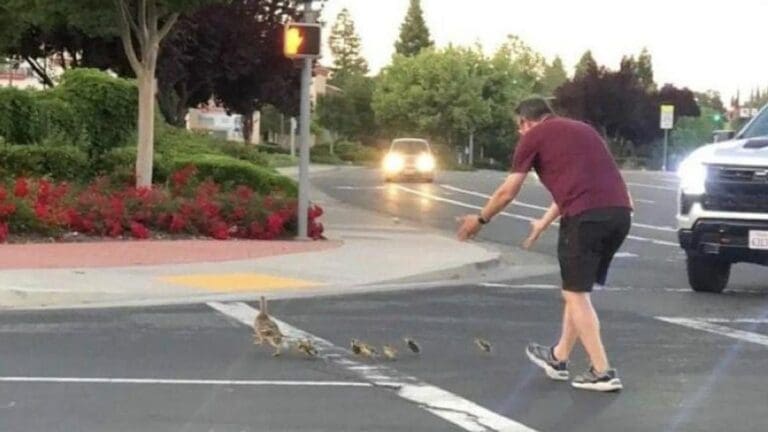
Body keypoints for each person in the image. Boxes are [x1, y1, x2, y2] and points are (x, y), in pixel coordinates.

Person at [456, 97, 632, 392]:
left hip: (585, 219)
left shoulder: (534, 136)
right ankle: (559, 357)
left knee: (575, 294)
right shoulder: (583, 130)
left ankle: (602, 371)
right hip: (619, 214)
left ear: (526, 121)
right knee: (578, 290)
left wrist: (481, 219)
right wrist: (543, 222)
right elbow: (580, 185)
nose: (519, 133)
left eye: (519, 127)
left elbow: (507, 191)